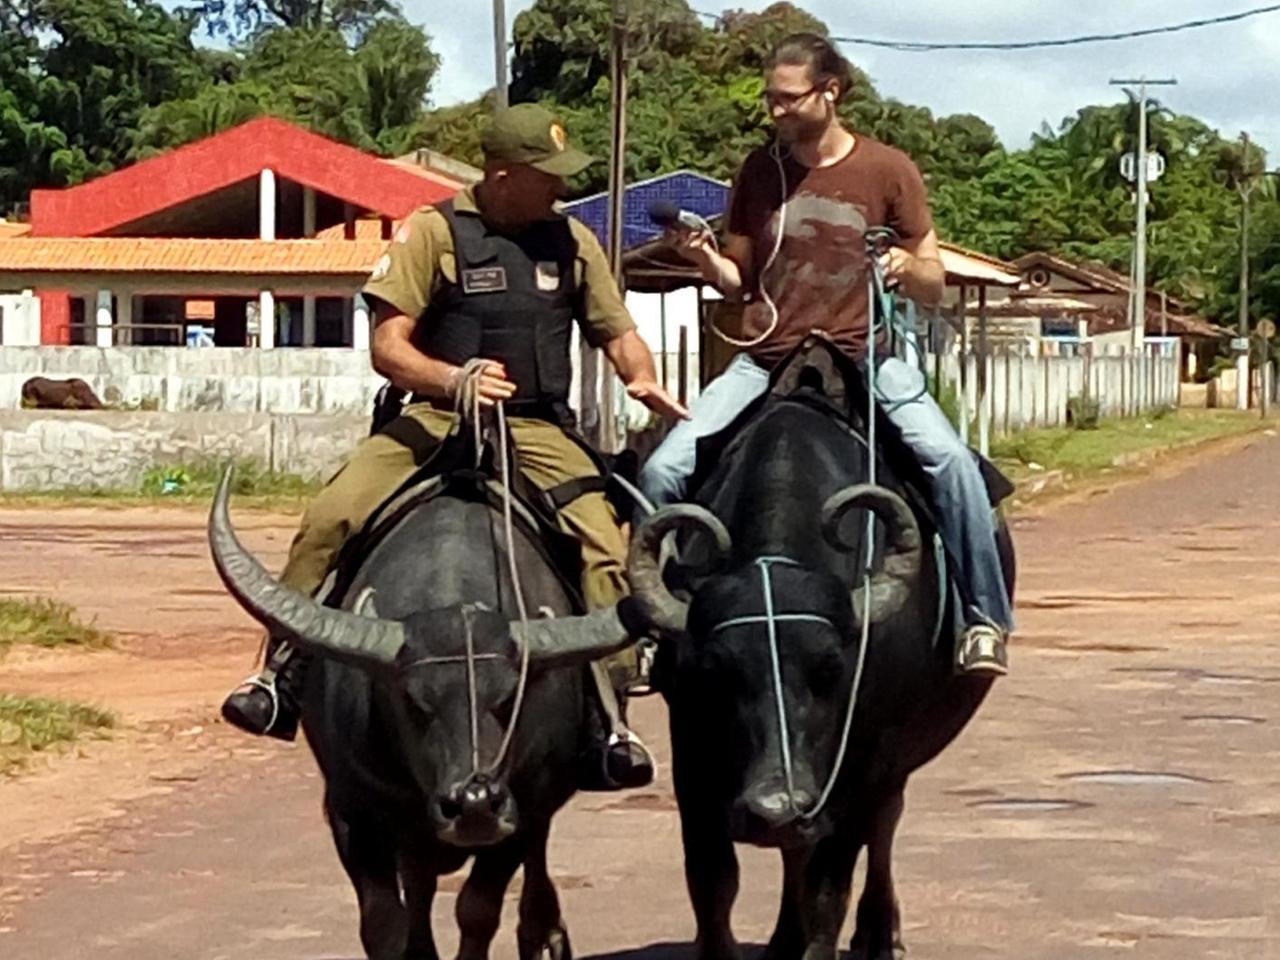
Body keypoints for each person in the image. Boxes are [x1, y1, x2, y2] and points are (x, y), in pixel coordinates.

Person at [222, 103, 688, 787]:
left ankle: (608, 717)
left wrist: (641, 376)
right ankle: (278, 676)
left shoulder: (572, 241)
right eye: (545, 175)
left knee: (603, 545)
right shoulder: (433, 235)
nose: (558, 187)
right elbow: (388, 347)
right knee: (331, 517)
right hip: (436, 416)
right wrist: (452, 378)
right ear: (502, 175)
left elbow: (615, 328)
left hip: (535, 428)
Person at [639, 33, 1011, 675]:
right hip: (765, 358)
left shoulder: (889, 169)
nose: (775, 111)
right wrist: (704, 260)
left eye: (788, 99)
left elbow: (932, 282)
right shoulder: (760, 172)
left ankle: (984, 618)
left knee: (951, 464)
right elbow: (739, 279)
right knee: (662, 469)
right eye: (770, 100)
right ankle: (661, 627)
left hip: (868, 355)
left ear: (829, 92)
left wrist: (903, 263)